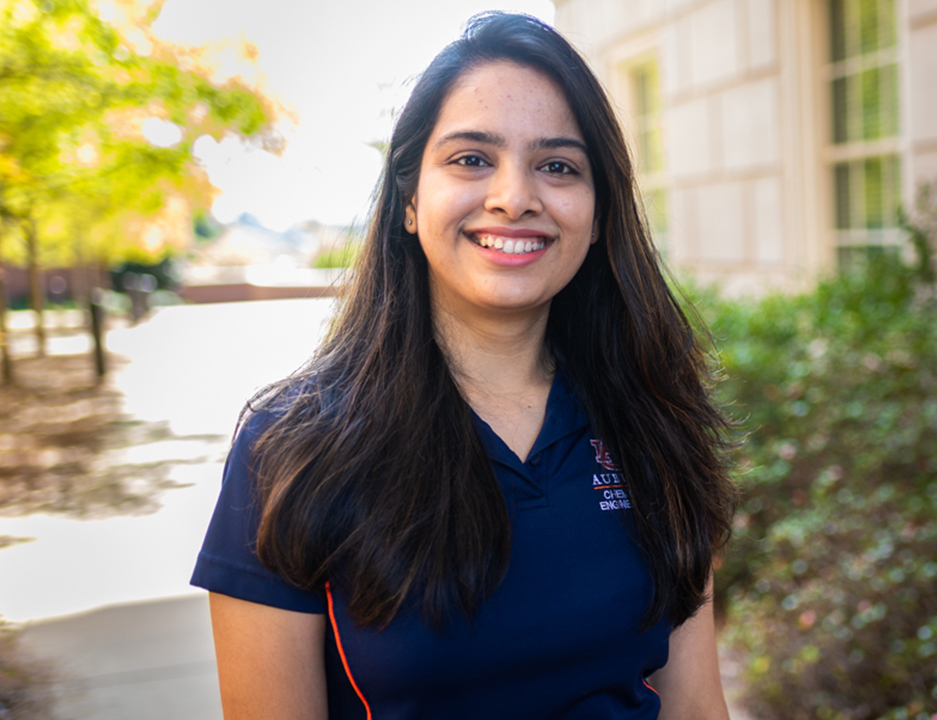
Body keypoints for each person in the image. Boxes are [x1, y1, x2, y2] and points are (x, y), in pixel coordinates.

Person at [191, 12, 739, 720]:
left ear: (599, 213)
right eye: (472, 159)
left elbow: (694, 706)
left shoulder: (653, 416)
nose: (515, 196)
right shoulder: (289, 448)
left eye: (558, 166)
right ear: (411, 202)